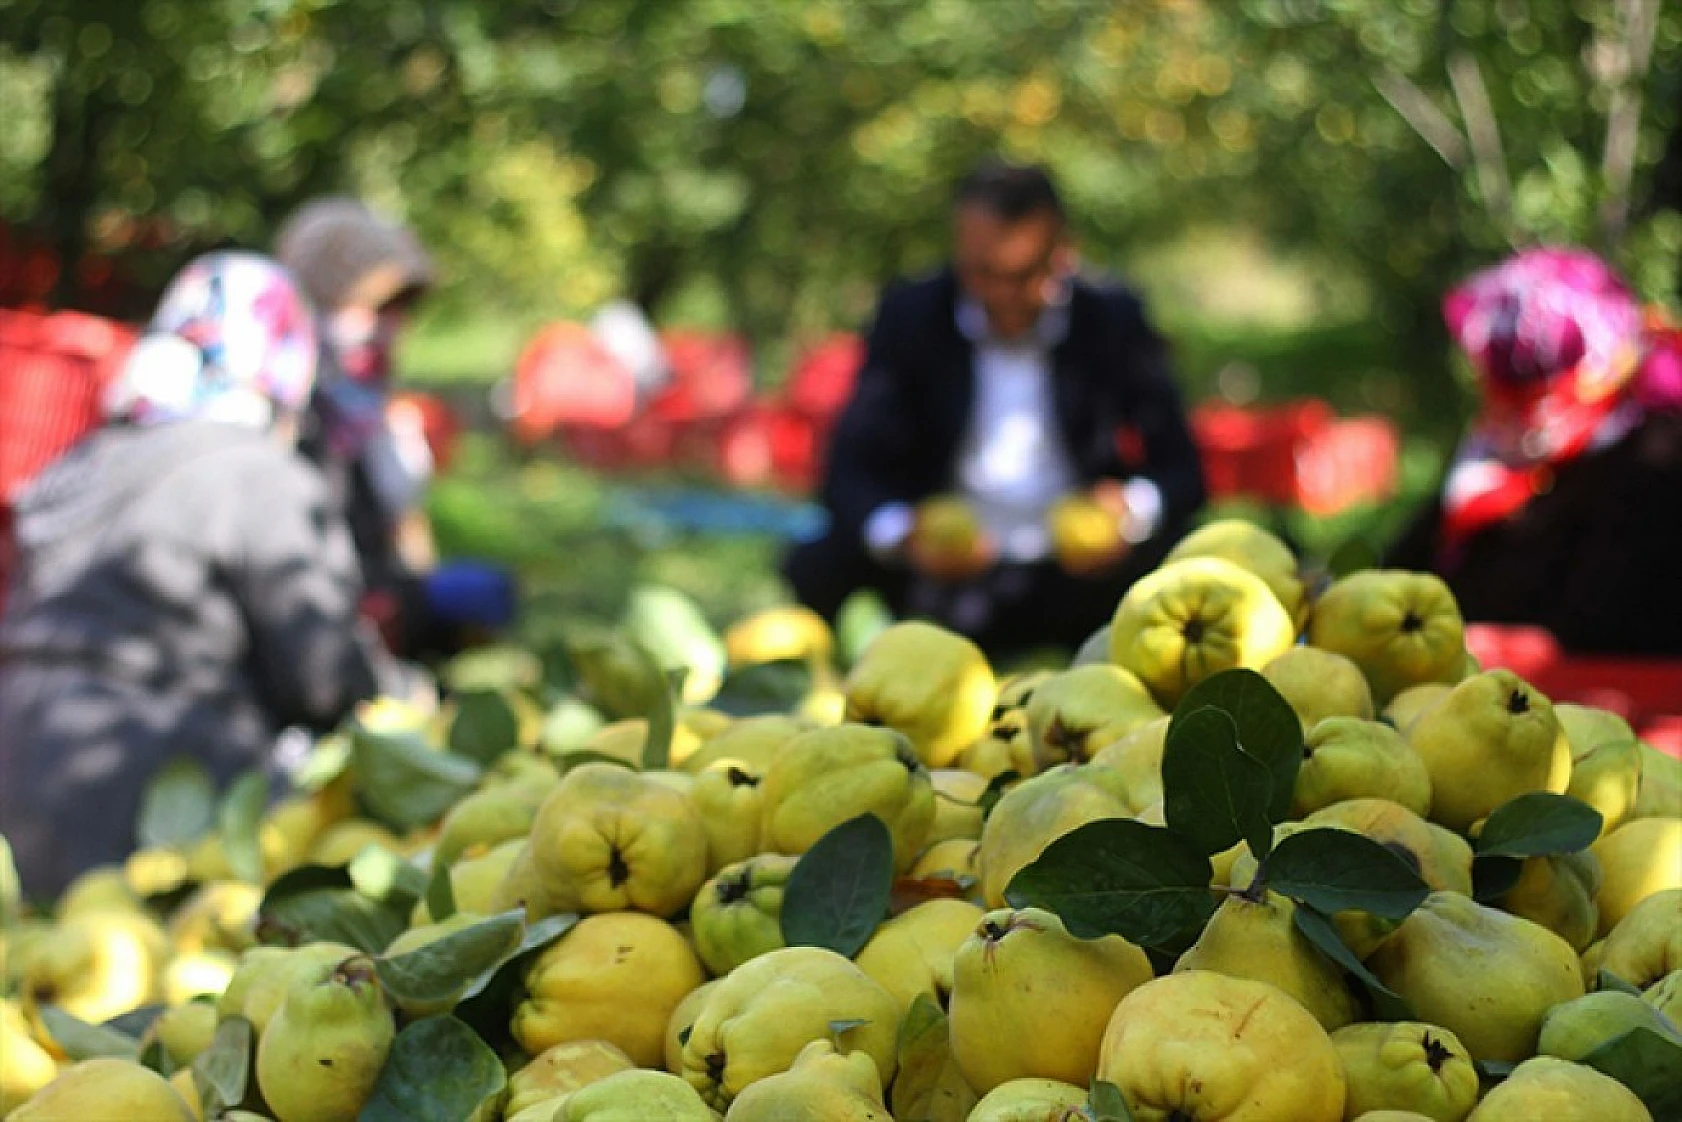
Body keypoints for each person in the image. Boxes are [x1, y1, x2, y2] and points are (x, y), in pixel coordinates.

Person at [0, 253, 388, 897]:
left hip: (18, 786)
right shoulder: (260, 475)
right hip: (152, 812)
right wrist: (395, 688)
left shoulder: (87, 460)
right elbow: (322, 678)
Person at [783, 160, 1207, 655]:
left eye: (1024, 275)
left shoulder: (1113, 317)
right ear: (958, 247)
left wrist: (1130, 510)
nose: (1003, 296)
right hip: (948, 582)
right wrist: (905, 534)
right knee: (815, 562)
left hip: (1083, 578)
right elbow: (848, 467)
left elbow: (1183, 472)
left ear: (1063, 253)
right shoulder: (911, 315)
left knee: (1194, 562)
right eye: (983, 273)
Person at [1387, 247, 1682, 654]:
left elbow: (1604, 630)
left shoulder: (1654, 461)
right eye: (1502, 397)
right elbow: (1402, 568)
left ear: (1603, 374)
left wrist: (1478, 646)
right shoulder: (1493, 456)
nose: (1518, 420)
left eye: (1540, 398)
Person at [276, 197, 514, 661]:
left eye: (401, 311)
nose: (391, 328)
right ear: (323, 299)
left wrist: (403, 504)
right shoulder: (287, 419)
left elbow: (404, 553)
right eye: (377, 307)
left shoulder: (367, 414)